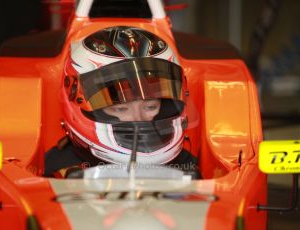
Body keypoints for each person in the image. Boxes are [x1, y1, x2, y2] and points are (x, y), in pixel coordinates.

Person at [43, 26, 201, 178]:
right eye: (121, 108)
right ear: (75, 100)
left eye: (150, 106)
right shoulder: (55, 169)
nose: (138, 118)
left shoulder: (187, 165)